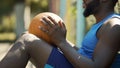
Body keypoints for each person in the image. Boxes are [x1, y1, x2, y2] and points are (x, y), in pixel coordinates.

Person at [0, 0, 120, 68]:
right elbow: (86, 54)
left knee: (27, 41)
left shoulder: (113, 26)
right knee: (29, 36)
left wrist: (61, 42)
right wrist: (57, 39)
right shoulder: (103, 23)